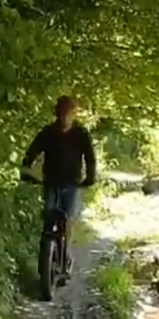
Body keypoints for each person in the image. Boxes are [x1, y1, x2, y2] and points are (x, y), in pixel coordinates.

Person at [21, 96, 96, 273]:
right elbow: (32, 152)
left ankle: (66, 255)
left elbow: (90, 158)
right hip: (51, 182)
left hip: (72, 183)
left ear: (73, 114)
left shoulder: (81, 134)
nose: (63, 118)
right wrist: (26, 169)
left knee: (67, 220)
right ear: (56, 114)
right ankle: (46, 257)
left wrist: (90, 177)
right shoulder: (48, 133)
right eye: (60, 115)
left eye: (66, 114)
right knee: (48, 217)